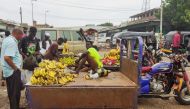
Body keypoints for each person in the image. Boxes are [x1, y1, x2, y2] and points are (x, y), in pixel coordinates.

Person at [1, 28, 23, 109]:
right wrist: (15, 68)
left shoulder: (7, 39)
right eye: (21, 35)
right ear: (17, 34)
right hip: (12, 71)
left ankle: (14, 106)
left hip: (8, 71)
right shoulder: (12, 42)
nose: (22, 37)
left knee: (12, 92)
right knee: (15, 93)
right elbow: (7, 57)